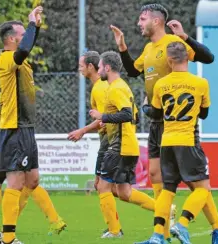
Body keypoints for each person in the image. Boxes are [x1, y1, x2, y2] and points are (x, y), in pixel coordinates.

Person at [110, 3, 218, 239]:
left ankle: (216, 227)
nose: (139, 23)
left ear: (156, 21)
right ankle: (160, 234)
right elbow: (133, 71)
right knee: (156, 176)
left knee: (195, 184)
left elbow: (208, 57)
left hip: (176, 123)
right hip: (157, 121)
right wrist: (122, 48)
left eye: (142, 19)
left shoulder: (174, 44)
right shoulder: (149, 48)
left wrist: (185, 36)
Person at [135, 42, 218, 244]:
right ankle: (183, 223)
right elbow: (203, 113)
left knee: (168, 189)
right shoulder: (201, 83)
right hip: (188, 141)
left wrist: (145, 108)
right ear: (188, 58)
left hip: (166, 142)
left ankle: (158, 235)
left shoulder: (161, 84)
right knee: (203, 189)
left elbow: (157, 113)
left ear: (169, 60)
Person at [0, 6, 66, 244]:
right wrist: (32, 23)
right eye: (22, 34)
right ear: (12, 39)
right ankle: (9, 238)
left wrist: (36, 25)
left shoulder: (20, 61)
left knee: (32, 180)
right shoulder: (6, 58)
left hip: (26, 128)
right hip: (14, 129)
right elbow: (24, 50)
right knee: (15, 182)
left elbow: (26, 47)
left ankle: (11, 231)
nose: (26, 40)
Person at [0, 49, 62, 243]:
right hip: (10, 136)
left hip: (14, 135)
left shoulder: (13, 76)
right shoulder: (7, 84)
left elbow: (9, 112)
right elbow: (6, 112)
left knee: (28, 181)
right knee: (6, 183)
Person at [88, 51, 157, 238]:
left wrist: (103, 116)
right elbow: (133, 115)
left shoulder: (116, 88)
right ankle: (165, 210)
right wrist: (108, 119)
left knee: (102, 187)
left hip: (119, 147)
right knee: (125, 193)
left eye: (101, 67)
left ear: (107, 68)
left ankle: (114, 231)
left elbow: (127, 114)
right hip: (127, 145)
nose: (99, 70)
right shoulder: (121, 86)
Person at [68, 51, 124, 234]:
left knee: (103, 186)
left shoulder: (100, 87)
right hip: (108, 139)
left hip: (110, 140)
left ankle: (115, 230)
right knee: (116, 190)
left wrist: (82, 131)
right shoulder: (98, 86)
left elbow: (103, 118)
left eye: (81, 65)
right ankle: (115, 228)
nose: (79, 68)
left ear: (91, 67)